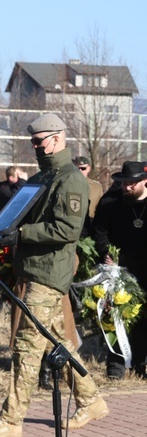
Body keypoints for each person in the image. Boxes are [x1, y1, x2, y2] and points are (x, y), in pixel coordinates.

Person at [0, 113, 108, 436]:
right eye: (32, 141)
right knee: (58, 341)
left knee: (27, 346)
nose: (35, 146)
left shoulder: (70, 179)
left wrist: (20, 235)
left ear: (57, 139)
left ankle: (10, 421)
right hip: (32, 269)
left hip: (49, 273)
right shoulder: (43, 177)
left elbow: (66, 229)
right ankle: (90, 400)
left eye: (39, 141)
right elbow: (17, 215)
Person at [91, 160, 147, 379]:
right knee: (114, 317)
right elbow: (99, 232)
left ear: (145, 181)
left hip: (144, 269)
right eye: (124, 183)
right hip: (118, 270)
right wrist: (106, 252)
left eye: (132, 184)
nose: (126, 188)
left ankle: (140, 362)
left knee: (143, 320)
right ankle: (115, 366)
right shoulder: (110, 203)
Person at [72, 156, 103, 234]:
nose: (80, 171)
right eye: (77, 168)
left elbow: (100, 208)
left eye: (83, 169)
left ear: (88, 168)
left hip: (90, 227)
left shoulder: (97, 187)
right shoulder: (67, 185)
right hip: (72, 227)